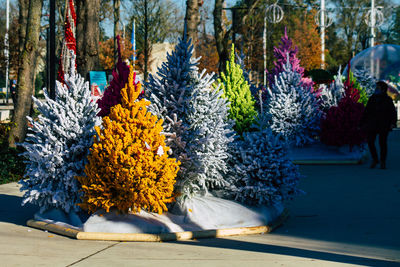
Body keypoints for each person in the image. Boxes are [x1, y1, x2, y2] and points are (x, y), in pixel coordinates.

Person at [361, 81, 397, 169]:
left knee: (382, 143)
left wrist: (393, 123)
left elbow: (392, 112)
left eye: (378, 87)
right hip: (372, 124)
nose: (376, 89)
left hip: (383, 124)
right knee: (370, 141)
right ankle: (375, 159)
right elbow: (366, 111)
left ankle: (382, 161)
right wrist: (362, 123)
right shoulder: (372, 98)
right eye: (376, 87)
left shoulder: (387, 100)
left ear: (383, 89)